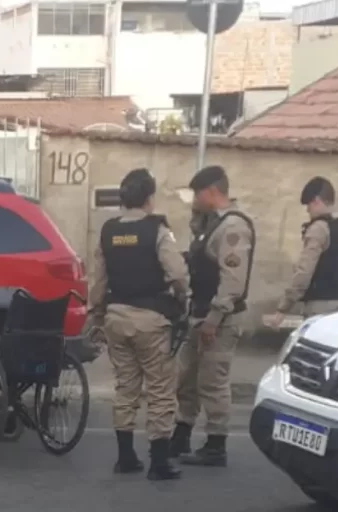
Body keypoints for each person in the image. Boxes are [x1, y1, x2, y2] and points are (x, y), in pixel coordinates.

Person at [88, 168, 189, 481]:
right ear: (149, 198)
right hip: (151, 320)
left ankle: (126, 457)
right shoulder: (157, 231)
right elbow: (178, 274)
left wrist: (97, 314)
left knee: (126, 387)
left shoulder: (108, 231)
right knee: (159, 389)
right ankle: (159, 462)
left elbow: (98, 282)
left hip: (116, 319)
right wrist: (182, 300)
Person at [169, 165, 255, 467]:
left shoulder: (233, 227)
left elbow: (233, 281)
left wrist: (214, 319)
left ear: (211, 192)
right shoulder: (213, 224)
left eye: (196, 194)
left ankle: (216, 444)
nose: (193, 199)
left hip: (220, 320)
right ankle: (181, 434)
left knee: (213, 383)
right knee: (187, 379)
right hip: (200, 313)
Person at [264, 177, 338, 327]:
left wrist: (282, 309)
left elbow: (303, 273)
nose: (308, 210)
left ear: (316, 201)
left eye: (308, 205)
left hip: (319, 309)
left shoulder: (319, 229)